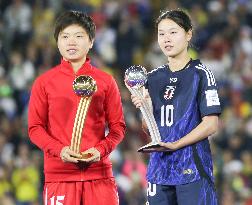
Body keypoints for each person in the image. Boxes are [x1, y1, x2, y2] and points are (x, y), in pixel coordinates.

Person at [28, 11, 126, 205]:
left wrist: (101, 149)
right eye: (65, 36)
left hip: (99, 176)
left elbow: (118, 127)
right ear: (57, 42)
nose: (71, 42)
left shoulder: (105, 81)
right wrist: (59, 150)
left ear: (90, 42)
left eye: (78, 36)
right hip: (59, 176)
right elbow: (35, 128)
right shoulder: (44, 83)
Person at [131, 9, 221, 205]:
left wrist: (176, 145)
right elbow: (150, 129)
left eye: (173, 32)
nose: (166, 39)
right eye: (161, 34)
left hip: (193, 168)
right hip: (159, 170)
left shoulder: (201, 74)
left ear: (188, 34)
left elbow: (211, 124)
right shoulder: (152, 78)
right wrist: (145, 109)